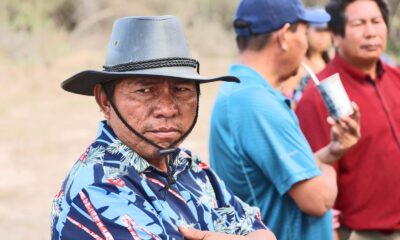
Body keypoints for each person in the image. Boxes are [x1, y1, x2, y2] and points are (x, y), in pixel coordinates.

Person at [51, 15, 276, 240]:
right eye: (145, 91)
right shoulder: (97, 188)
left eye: (181, 90)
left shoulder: (189, 167)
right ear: (105, 101)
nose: (167, 109)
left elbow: (258, 230)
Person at [209, 0, 361, 239]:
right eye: (303, 31)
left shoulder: (244, 91)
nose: (306, 43)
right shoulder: (256, 102)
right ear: (283, 37)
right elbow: (318, 199)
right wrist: (329, 170)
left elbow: (279, 173)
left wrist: (332, 151)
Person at [295, 0, 400, 239]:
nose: (371, 32)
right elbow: (316, 177)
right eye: (359, 23)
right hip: (362, 232)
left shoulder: (396, 77)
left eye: (376, 21)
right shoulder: (321, 95)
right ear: (335, 35)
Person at [280, 7, 333, 105]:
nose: (323, 36)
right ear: (306, 31)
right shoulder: (297, 65)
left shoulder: (331, 63)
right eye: (318, 30)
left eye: (327, 30)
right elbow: (288, 101)